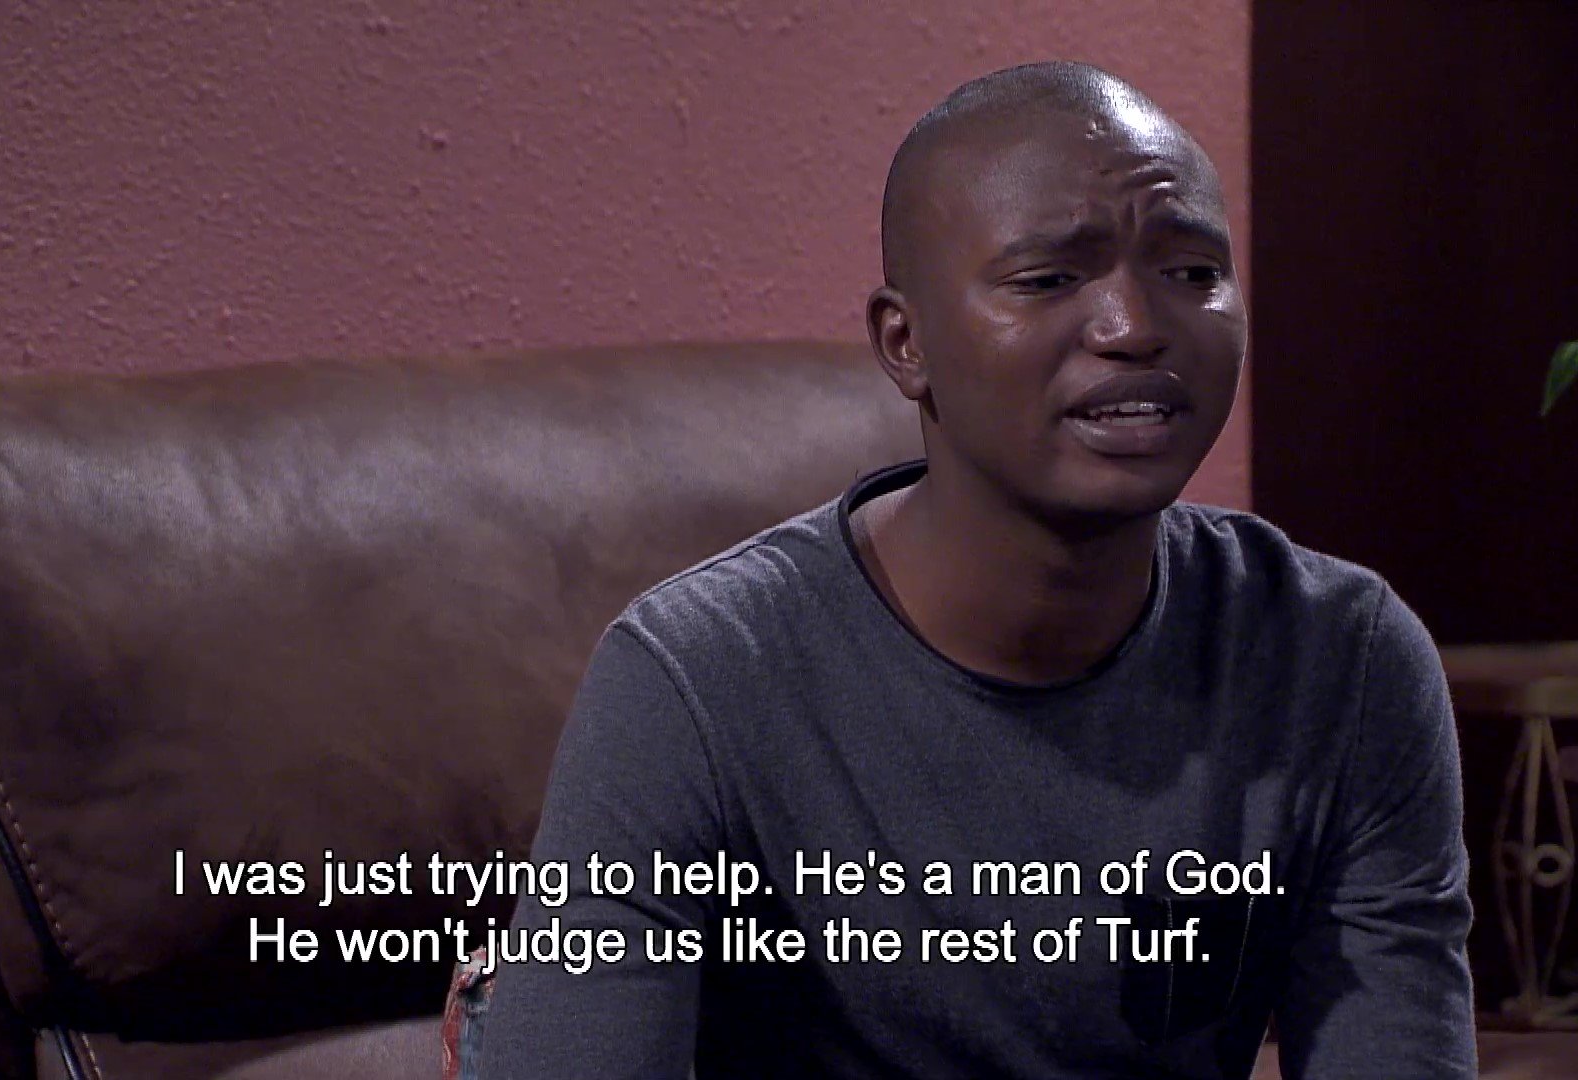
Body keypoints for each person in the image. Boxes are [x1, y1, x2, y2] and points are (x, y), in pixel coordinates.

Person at [478, 61, 1477, 1079]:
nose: (1136, 327)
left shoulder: (1340, 658)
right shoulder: (697, 681)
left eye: (1191, 272)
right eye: (1048, 280)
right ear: (905, 342)